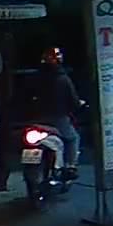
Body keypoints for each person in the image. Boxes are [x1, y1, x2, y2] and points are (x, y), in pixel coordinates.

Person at [30, 47, 85, 179]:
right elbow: (73, 100)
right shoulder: (63, 79)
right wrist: (79, 105)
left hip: (35, 118)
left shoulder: (35, 77)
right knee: (73, 138)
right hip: (57, 118)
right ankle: (70, 166)